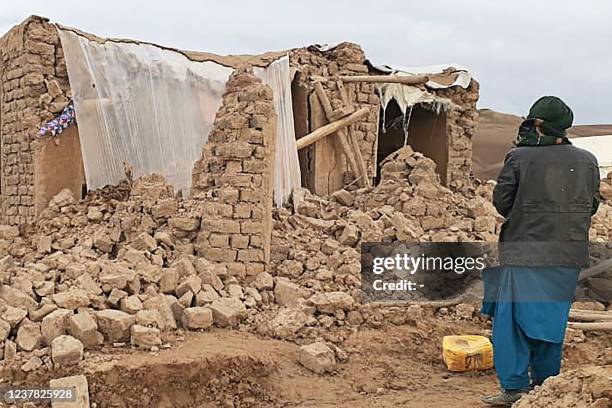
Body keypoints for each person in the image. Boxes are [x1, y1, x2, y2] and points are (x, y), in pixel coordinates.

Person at [481, 96, 601, 406]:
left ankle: (515, 388)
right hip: (568, 254)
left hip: (525, 252)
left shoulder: (518, 157)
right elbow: (592, 206)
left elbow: (502, 203)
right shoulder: (587, 160)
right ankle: (547, 387)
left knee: (511, 321)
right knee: (550, 319)